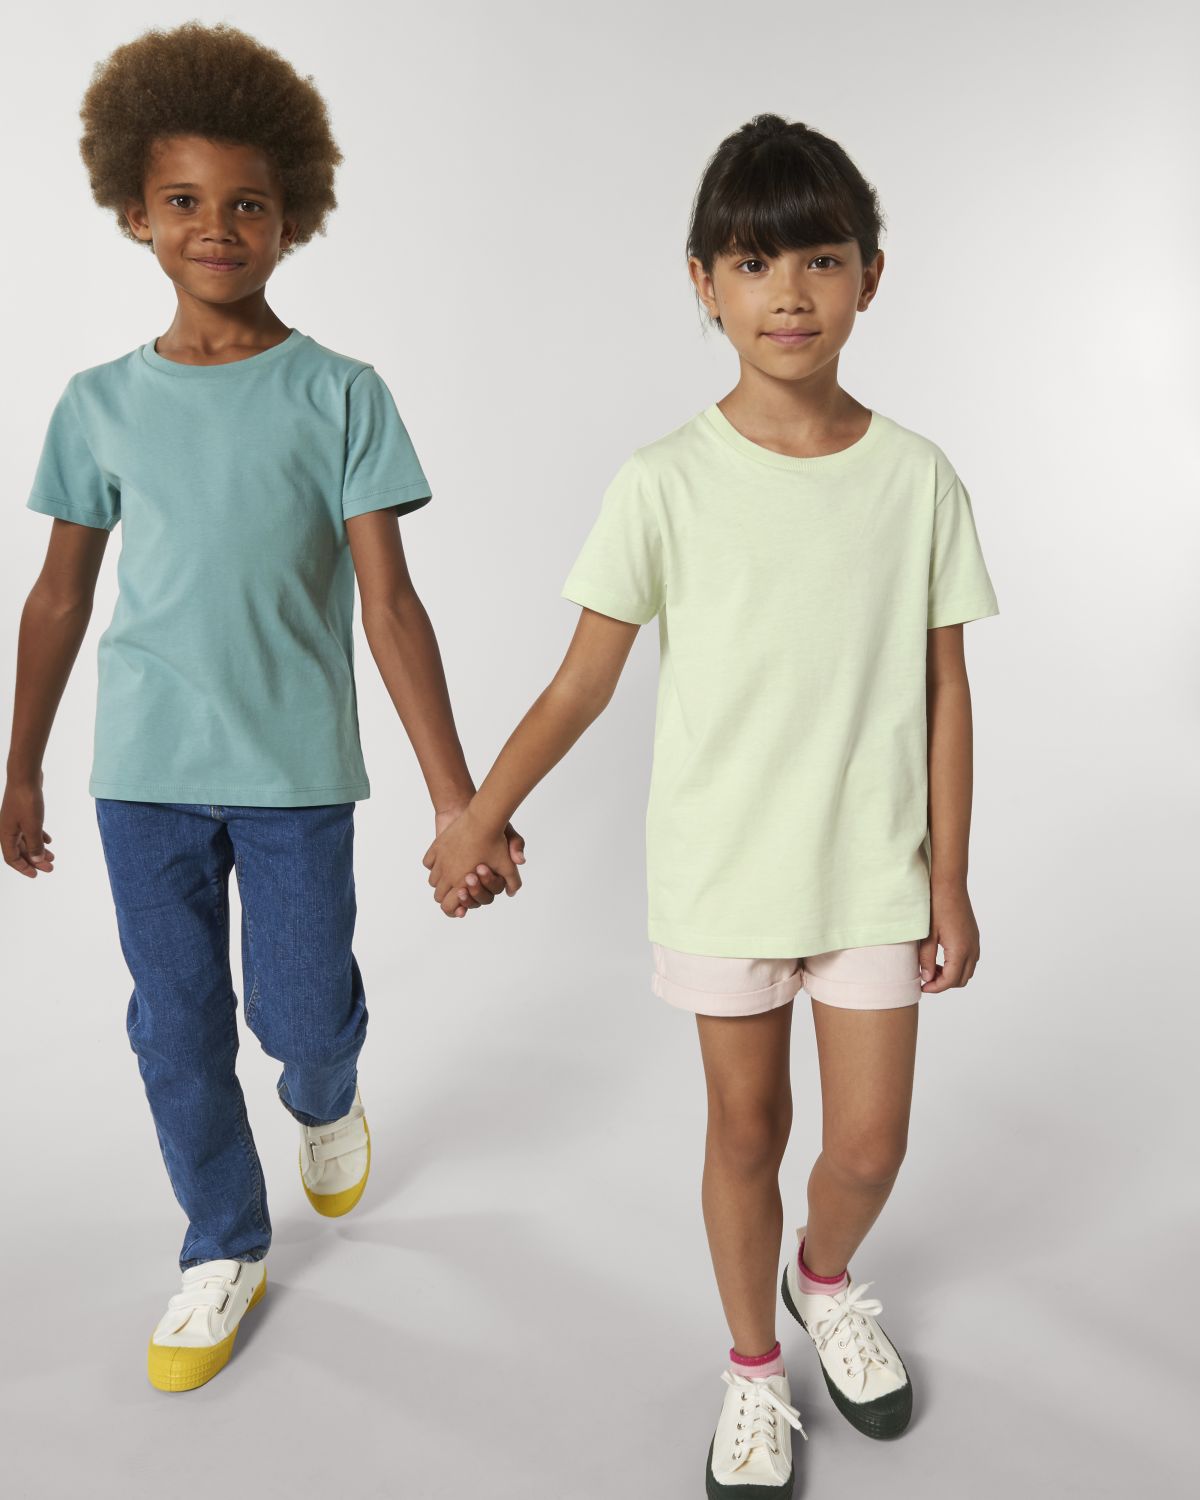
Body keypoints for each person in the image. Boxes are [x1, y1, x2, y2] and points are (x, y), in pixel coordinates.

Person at [425, 114, 999, 1494]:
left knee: (869, 1145)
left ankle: (823, 1276)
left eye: (820, 259)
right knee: (747, 1133)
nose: (789, 292)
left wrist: (949, 878)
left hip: (871, 870)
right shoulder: (664, 481)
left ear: (870, 276)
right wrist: (476, 814)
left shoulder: (917, 477)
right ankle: (752, 1365)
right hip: (724, 872)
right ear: (703, 283)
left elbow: (946, 688)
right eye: (752, 263)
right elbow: (581, 685)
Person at [2, 20, 520, 1393]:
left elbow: (391, 607)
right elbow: (57, 598)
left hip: (295, 773)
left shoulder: (340, 394)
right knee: (174, 1024)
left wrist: (459, 798)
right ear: (134, 212)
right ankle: (222, 1241)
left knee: (298, 1013)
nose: (215, 227)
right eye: (183, 200)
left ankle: (326, 1094)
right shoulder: (97, 404)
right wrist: (22, 766)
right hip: (143, 772)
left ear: (294, 216)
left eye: (247, 204)